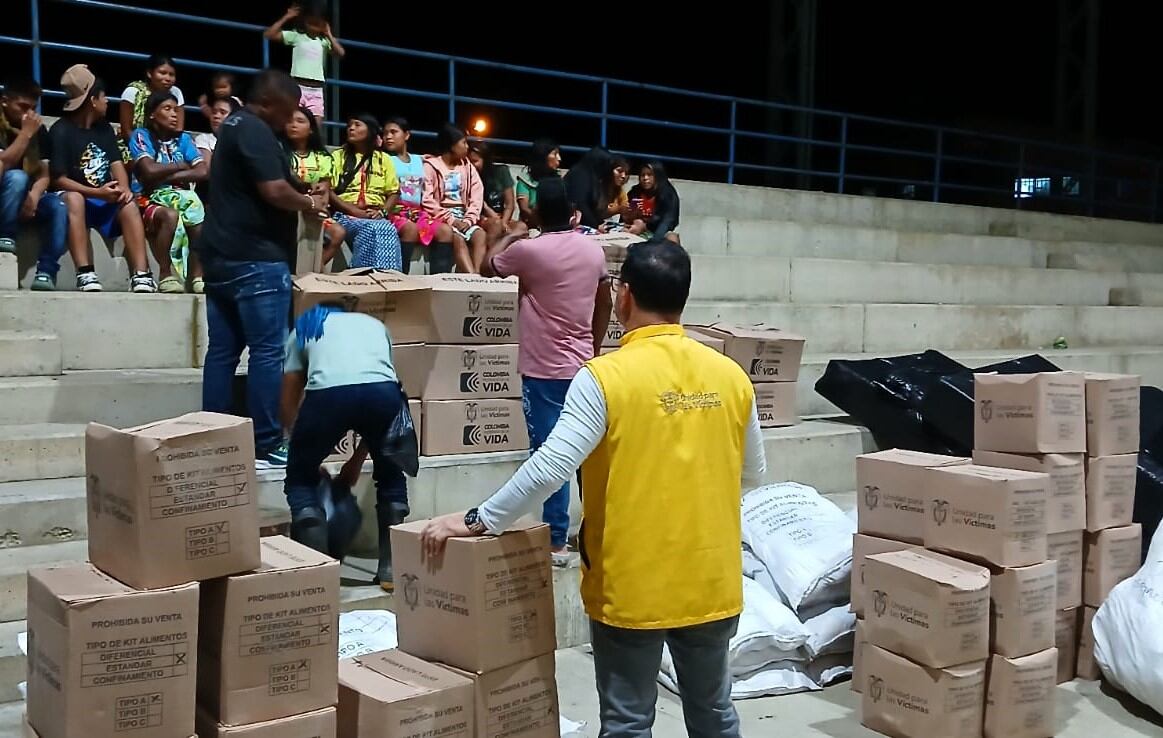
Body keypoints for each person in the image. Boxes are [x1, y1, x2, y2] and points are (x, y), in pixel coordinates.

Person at [422, 239, 766, 738]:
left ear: (623, 296)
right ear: (682, 300)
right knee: (714, 714)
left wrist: (476, 520)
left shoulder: (605, 377)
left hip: (633, 584)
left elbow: (550, 467)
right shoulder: (731, 376)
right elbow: (753, 473)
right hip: (711, 578)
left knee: (628, 723)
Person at [197, 68, 329, 471]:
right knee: (268, 352)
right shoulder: (253, 129)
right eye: (288, 111)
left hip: (220, 258)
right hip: (255, 260)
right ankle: (267, 441)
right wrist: (308, 205)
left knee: (222, 351)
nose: (291, 120)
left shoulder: (235, 128)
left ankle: (211, 432)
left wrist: (305, 189)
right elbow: (273, 191)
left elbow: (277, 179)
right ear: (270, 103)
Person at [480, 176, 611, 557]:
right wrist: (594, 347)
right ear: (573, 213)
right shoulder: (592, 251)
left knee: (549, 453)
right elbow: (604, 303)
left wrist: (514, 233)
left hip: (543, 370)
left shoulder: (530, 251)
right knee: (588, 454)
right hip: (584, 367)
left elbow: (489, 266)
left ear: (535, 211)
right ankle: (595, 533)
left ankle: (556, 539)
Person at [280, 303, 410, 588]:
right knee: (391, 475)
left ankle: (318, 573)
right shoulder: (375, 325)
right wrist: (355, 461)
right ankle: (391, 571)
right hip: (385, 396)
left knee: (300, 482)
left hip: (328, 396)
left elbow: (289, 394)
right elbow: (377, 387)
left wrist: (301, 453)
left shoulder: (305, 326)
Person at [50, 64, 156, 293]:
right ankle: (85, 273)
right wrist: (97, 193)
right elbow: (58, 179)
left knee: (128, 202)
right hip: (79, 197)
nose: (108, 101)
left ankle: (142, 274)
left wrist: (124, 188)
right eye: (104, 96)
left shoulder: (104, 129)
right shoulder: (61, 130)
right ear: (92, 101)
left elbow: (116, 163)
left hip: (103, 197)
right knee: (74, 198)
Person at [128, 90, 207, 293]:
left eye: (175, 109)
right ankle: (165, 274)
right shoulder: (140, 136)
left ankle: (197, 276)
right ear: (152, 114)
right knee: (170, 216)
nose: (174, 114)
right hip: (147, 199)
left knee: (198, 211)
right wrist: (181, 165)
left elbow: (203, 170)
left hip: (179, 196)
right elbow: (148, 170)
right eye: (167, 109)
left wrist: (167, 177)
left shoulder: (184, 140)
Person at [0, 76, 68, 290]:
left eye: (32, 108)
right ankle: (6, 236)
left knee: (58, 205)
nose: (28, 113)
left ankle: (46, 272)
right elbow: (5, 162)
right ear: (4, 101)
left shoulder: (39, 130)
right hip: (4, 193)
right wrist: (26, 133)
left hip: (24, 197)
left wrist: (35, 195)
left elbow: (45, 174)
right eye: (22, 106)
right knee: (17, 177)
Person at [329, 113, 402, 270]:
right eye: (349, 125)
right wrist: (353, 210)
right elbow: (329, 191)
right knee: (373, 228)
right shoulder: (338, 156)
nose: (351, 128)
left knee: (386, 227)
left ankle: (388, 278)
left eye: (357, 124)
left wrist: (383, 212)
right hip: (345, 214)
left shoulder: (383, 159)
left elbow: (394, 192)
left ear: (370, 131)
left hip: (374, 214)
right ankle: (364, 276)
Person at [382, 116, 447, 273]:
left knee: (445, 231)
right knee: (410, 229)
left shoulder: (420, 160)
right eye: (385, 133)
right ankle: (400, 275)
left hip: (417, 213)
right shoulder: (384, 159)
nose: (388, 137)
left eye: (393, 132)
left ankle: (439, 283)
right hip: (394, 212)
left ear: (406, 135)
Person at [265, 3, 345, 127]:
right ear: (304, 21)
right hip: (297, 86)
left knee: (315, 127)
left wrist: (329, 34)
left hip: (316, 89)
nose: (313, 27)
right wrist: (287, 16)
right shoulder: (297, 36)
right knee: (292, 123)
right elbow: (269, 34)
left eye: (317, 24)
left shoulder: (323, 42)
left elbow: (340, 53)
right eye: (310, 23)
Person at [285, 105, 345, 264]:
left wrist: (323, 188)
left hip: (316, 209)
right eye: (289, 121)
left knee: (337, 233)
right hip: (288, 210)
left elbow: (325, 190)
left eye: (300, 121)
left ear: (311, 129)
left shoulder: (323, 157)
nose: (293, 125)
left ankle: (314, 272)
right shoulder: (280, 152)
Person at [423, 123, 485, 273]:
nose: (467, 147)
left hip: (464, 216)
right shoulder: (431, 166)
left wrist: (469, 219)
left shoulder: (467, 166)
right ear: (451, 145)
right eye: (463, 142)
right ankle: (473, 279)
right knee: (457, 238)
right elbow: (427, 200)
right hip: (441, 216)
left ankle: (477, 274)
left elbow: (477, 194)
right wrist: (451, 220)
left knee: (480, 235)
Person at [118, 54, 185, 147]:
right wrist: (143, 150)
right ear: (149, 73)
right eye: (162, 73)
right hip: (134, 145)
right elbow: (126, 130)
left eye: (171, 75)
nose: (167, 78)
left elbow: (178, 128)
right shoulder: (133, 91)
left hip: (167, 145)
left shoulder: (176, 92)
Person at [468, 140, 515, 242]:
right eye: (469, 161)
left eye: (475, 161)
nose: (472, 165)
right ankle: (491, 257)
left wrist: (504, 222)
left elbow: (510, 204)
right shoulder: (470, 177)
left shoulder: (502, 171)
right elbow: (479, 206)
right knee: (496, 225)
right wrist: (497, 219)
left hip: (502, 218)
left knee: (521, 227)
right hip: (482, 217)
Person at [627, 160, 681, 242]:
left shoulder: (668, 194)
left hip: (659, 231)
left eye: (649, 175)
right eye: (642, 175)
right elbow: (628, 216)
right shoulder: (635, 192)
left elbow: (668, 221)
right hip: (636, 230)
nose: (645, 178)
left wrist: (653, 240)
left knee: (672, 239)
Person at [563, 145, 614, 230]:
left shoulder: (590, 175)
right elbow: (581, 205)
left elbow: (591, 206)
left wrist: (601, 223)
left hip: (585, 223)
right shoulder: (579, 175)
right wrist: (596, 226)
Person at [514, 137, 560, 228]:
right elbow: (524, 209)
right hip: (532, 226)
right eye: (555, 154)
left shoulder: (558, 181)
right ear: (543, 156)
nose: (559, 158)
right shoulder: (525, 180)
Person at [194, 94, 241, 171]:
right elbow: (208, 170)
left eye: (223, 112)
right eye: (214, 112)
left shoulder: (243, 141)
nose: (216, 116)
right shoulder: (204, 139)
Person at [604, 157, 631, 225]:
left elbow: (626, 218)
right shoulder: (596, 189)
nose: (623, 176)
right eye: (619, 171)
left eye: (626, 173)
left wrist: (633, 212)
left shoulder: (621, 192)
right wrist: (618, 209)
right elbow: (593, 215)